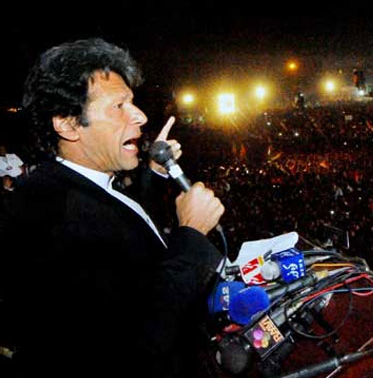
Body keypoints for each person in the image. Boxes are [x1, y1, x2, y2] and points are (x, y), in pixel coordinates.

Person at [0, 38, 225, 378]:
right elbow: (136, 342)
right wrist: (191, 236)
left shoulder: (82, 184)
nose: (141, 115)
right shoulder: (48, 210)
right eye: (118, 105)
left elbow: (121, 228)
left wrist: (153, 172)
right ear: (67, 123)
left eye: (132, 102)